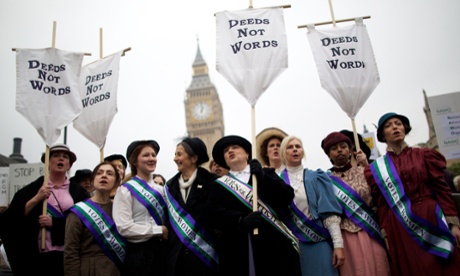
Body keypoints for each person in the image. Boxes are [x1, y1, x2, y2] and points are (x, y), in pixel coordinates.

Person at [364, 112, 460, 275]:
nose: (395, 127)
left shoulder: (424, 155)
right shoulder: (376, 169)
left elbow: (441, 189)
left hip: (432, 218)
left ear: (405, 128)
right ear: (382, 135)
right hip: (401, 227)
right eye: (388, 125)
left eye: (398, 123)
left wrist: (453, 223)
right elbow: (382, 205)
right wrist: (386, 234)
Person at [208, 135, 301, 276]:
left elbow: (286, 197)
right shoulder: (218, 186)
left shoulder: (266, 173)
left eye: (235, 147)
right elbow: (213, 215)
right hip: (238, 248)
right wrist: (240, 220)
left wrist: (263, 177)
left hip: (273, 246)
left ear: (247, 153)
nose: (230, 151)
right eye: (226, 150)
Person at [0, 144, 89, 275]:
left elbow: (85, 222)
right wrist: (37, 198)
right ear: (48, 162)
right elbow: (11, 218)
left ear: (69, 165)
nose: (61, 159)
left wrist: (55, 223)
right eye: (56, 156)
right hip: (37, 257)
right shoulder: (32, 189)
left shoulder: (79, 193)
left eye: (65, 157)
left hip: (68, 256)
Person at [321, 132, 390, 276]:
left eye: (343, 146)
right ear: (329, 155)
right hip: (346, 236)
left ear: (350, 150)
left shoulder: (365, 171)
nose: (339, 150)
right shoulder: (326, 180)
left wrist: (367, 165)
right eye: (334, 148)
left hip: (371, 230)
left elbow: (382, 194)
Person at [279, 135, 344, 276]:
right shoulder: (277, 181)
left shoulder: (316, 177)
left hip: (318, 242)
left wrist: (338, 245)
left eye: (298, 146)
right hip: (292, 246)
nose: (295, 150)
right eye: (290, 147)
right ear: (283, 153)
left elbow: (329, 214)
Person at [113, 140, 168, 276]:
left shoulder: (163, 190)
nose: (151, 159)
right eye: (146, 155)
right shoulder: (125, 190)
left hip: (162, 250)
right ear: (134, 161)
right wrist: (158, 230)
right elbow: (124, 227)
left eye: (153, 155)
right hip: (138, 253)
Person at [165, 137, 218, 276]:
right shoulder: (170, 186)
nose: (175, 158)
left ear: (193, 158)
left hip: (204, 257)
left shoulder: (211, 182)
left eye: (179, 154)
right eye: (175, 154)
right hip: (176, 259)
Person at [64, 161, 125, 276]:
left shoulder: (121, 210)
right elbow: (70, 252)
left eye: (110, 173)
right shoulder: (79, 211)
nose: (104, 176)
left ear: (116, 182)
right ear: (92, 181)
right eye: (99, 173)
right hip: (89, 269)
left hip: (116, 268)